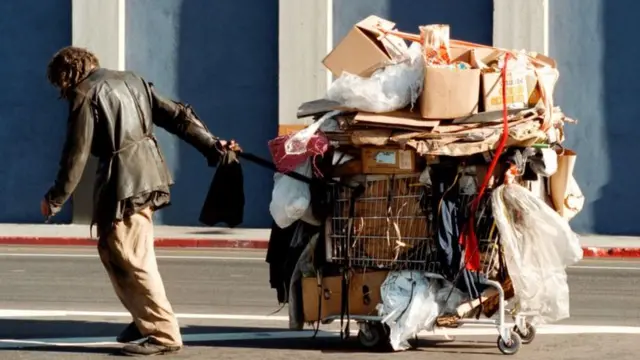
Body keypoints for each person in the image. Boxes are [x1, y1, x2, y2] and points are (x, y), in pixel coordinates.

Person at [41, 46, 238, 356]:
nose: (62, 90)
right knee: (113, 250)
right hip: (146, 173)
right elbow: (178, 116)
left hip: (123, 180)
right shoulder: (133, 79)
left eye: (60, 83)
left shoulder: (85, 93)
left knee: (133, 256)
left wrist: (55, 197)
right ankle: (142, 317)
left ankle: (163, 334)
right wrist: (211, 145)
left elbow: (75, 153)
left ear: (68, 74)